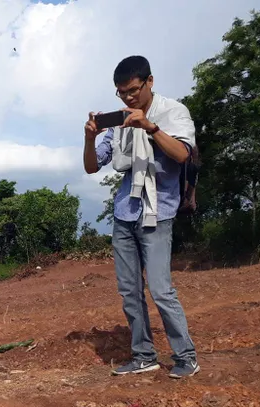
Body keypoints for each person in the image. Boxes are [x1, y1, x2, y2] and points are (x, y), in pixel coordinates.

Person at [83, 55, 199, 379]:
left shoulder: (173, 112)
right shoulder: (119, 121)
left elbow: (182, 154)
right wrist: (90, 138)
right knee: (129, 292)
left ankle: (186, 357)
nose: (128, 97)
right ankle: (144, 355)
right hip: (125, 212)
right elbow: (92, 166)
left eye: (133, 90)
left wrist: (150, 127)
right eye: (121, 92)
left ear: (150, 81)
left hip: (158, 211)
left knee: (161, 290)